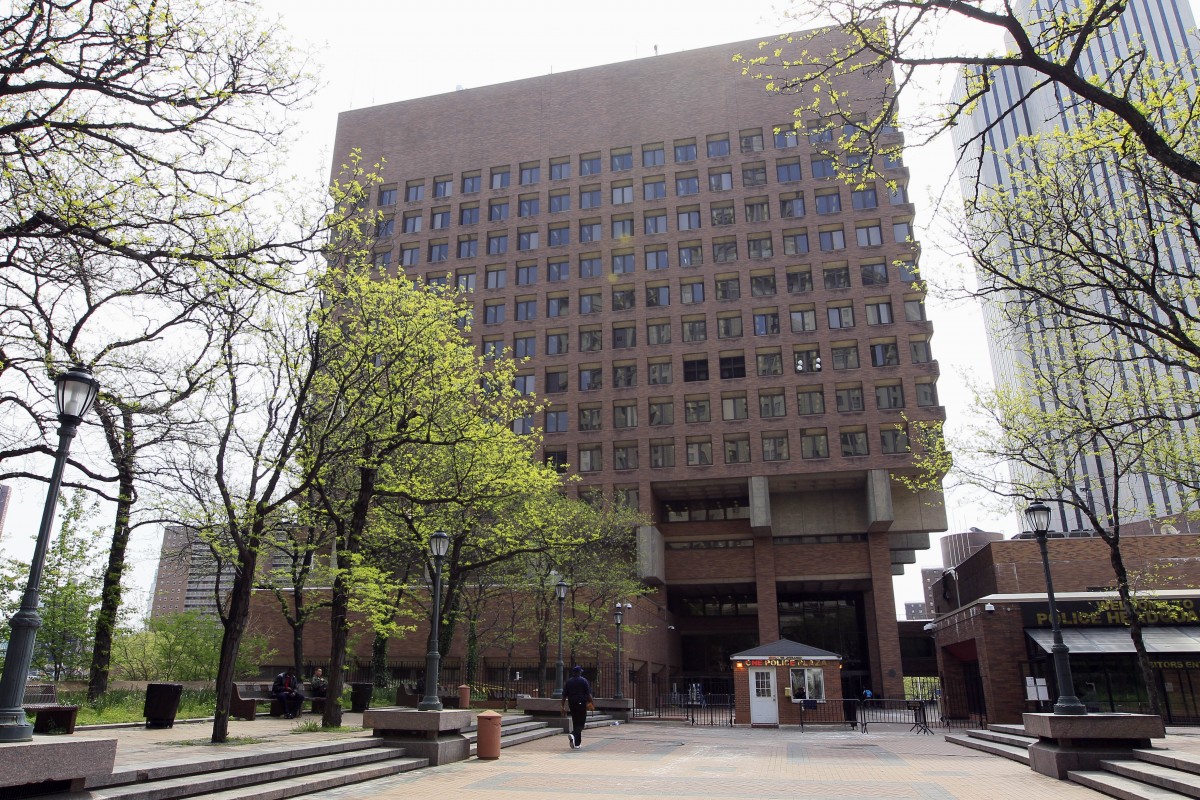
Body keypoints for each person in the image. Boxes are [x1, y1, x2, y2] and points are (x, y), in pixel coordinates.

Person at [560, 665, 592, 750]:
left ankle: (577, 743)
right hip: (581, 703)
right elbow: (588, 694)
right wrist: (591, 702)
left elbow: (564, 695)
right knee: (581, 723)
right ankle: (573, 734)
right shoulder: (583, 681)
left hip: (572, 704)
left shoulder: (568, 682)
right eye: (580, 671)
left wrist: (562, 706)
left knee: (575, 722)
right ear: (579, 672)